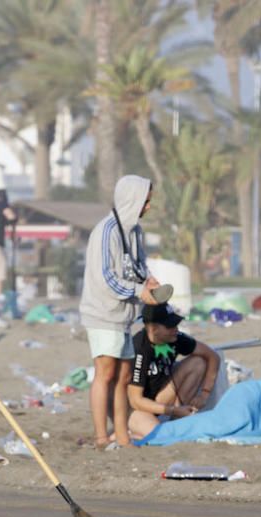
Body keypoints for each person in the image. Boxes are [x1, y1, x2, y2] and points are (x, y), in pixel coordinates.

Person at [80, 175, 160, 448]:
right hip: (102, 312)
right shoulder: (106, 231)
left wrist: (150, 282)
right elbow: (107, 278)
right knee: (106, 373)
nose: (148, 207)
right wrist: (140, 292)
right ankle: (102, 436)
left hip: (124, 316)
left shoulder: (135, 231)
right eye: (145, 201)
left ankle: (123, 435)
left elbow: (139, 266)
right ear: (132, 199)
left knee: (124, 376)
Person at [127, 302, 221, 440]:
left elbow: (213, 356)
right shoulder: (139, 348)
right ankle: (125, 432)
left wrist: (204, 395)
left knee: (198, 362)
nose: (176, 329)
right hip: (136, 409)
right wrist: (172, 409)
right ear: (153, 329)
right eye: (170, 325)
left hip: (162, 397)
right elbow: (135, 401)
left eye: (176, 324)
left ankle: (177, 418)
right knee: (162, 437)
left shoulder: (175, 337)